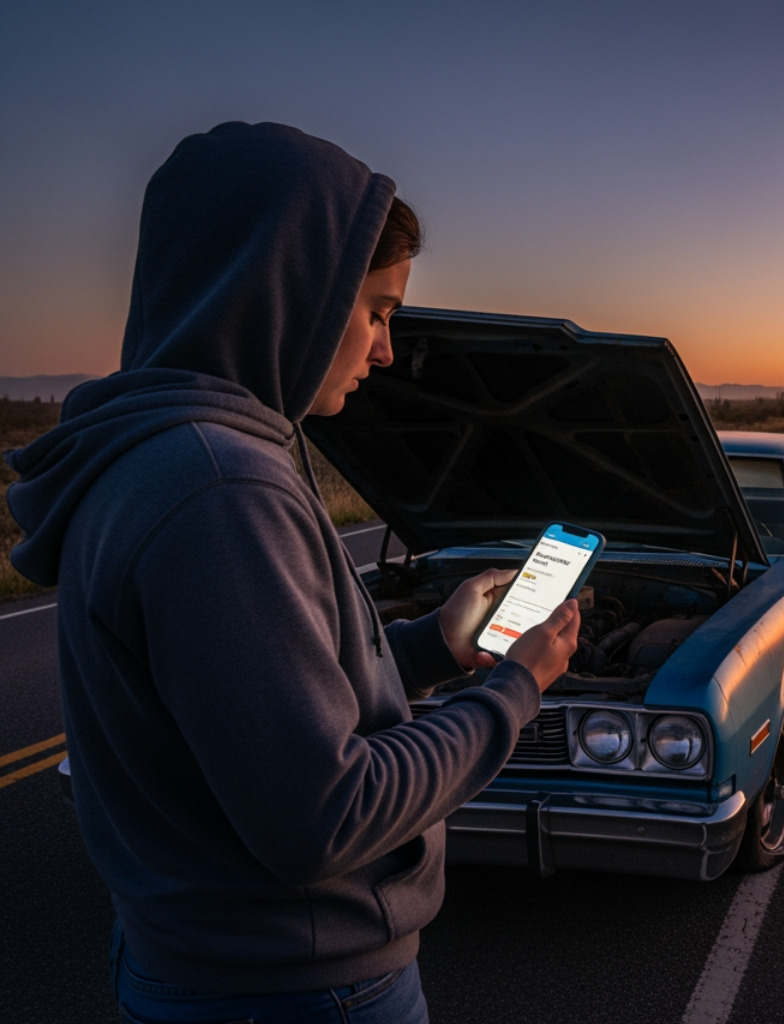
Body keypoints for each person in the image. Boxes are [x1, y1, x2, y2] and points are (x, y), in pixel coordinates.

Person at [4, 121, 578, 1022]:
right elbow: (329, 815)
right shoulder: (220, 488)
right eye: (378, 312)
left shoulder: (156, 457)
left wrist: (430, 648)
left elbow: (254, 701)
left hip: (214, 964)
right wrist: (515, 688)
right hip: (298, 990)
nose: (387, 351)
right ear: (290, 294)